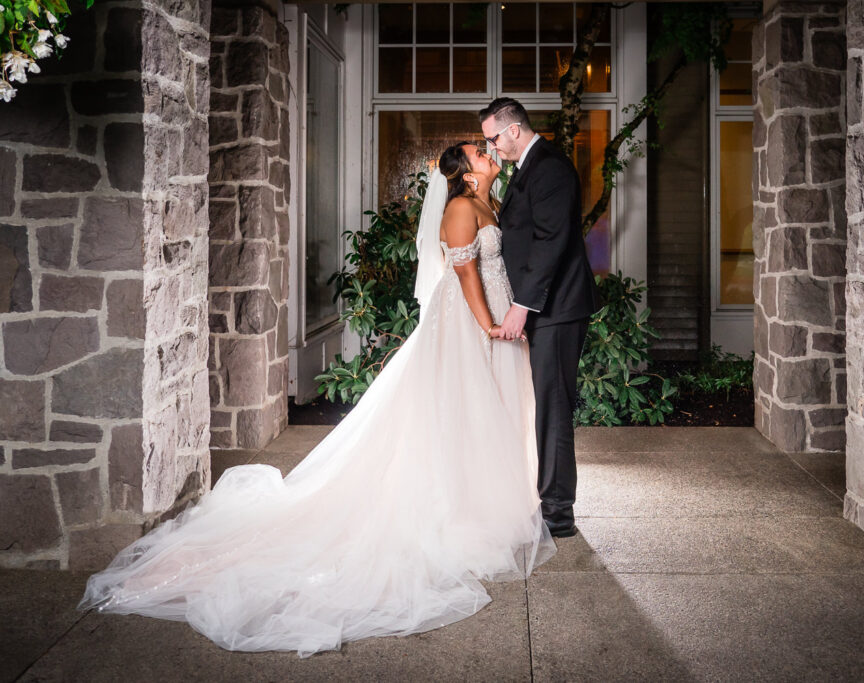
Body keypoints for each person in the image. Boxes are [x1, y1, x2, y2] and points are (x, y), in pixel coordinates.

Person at [78, 142, 555, 657]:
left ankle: (485, 495)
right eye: (477, 150)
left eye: (485, 148)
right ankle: (457, 506)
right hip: (468, 320)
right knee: (458, 413)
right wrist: (488, 327)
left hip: (497, 310)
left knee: (484, 415)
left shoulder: (491, 200)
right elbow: (463, 276)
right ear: (464, 173)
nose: (487, 152)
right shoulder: (462, 207)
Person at [480, 98, 599, 538]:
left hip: (559, 307)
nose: (491, 147)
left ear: (513, 130)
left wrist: (519, 306)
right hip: (547, 307)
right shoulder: (529, 167)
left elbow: (552, 241)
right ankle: (551, 502)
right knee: (547, 403)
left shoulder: (549, 167)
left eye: (493, 138)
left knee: (553, 406)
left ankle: (558, 513)